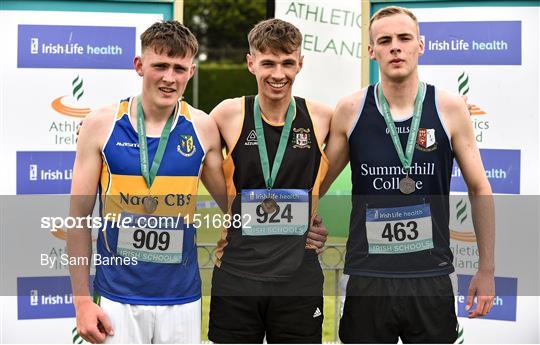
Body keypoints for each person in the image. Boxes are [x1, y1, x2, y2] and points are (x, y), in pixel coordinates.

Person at [321, 6, 495, 343]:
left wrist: (486, 269)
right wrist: (309, 220)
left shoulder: (450, 107)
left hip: (431, 277)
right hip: (367, 276)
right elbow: (318, 183)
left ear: (420, 45)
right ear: (372, 52)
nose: (395, 47)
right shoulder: (351, 109)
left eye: (404, 38)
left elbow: (479, 186)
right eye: (384, 41)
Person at [67, 20, 226, 344]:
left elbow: (234, 207)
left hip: (182, 299)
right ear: (140, 65)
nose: (169, 78)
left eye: (179, 68)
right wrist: (82, 301)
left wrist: (302, 219)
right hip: (116, 298)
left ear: (191, 72)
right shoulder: (101, 125)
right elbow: (78, 219)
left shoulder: (203, 127)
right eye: (161, 66)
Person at [208, 19, 332, 343]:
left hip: (299, 277)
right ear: (251, 63)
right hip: (236, 274)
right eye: (268, 63)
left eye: (288, 62)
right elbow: (181, 137)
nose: (278, 74)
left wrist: (309, 214)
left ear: (300, 63)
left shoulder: (322, 117)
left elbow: (370, 136)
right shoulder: (227, 115)